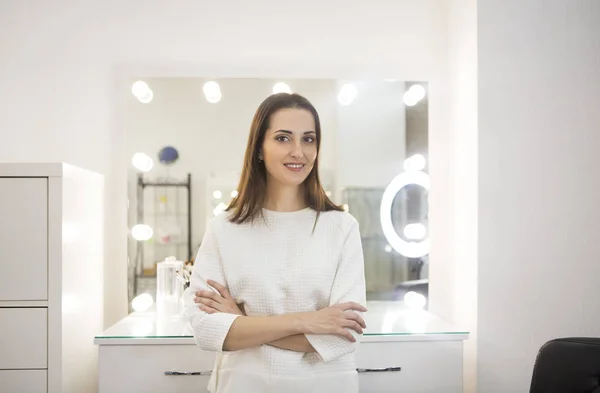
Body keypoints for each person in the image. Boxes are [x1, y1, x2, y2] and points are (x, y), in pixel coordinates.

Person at [183, 92, 367, 393]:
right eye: (283, 138)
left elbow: (343, 335)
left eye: (308, 139)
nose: (299, 151)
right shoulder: (225, 229)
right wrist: (309, 322)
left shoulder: (341, 228)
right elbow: (205, 330)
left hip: (325, 385)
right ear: (259, 148)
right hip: (244, 384)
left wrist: (241, 322)